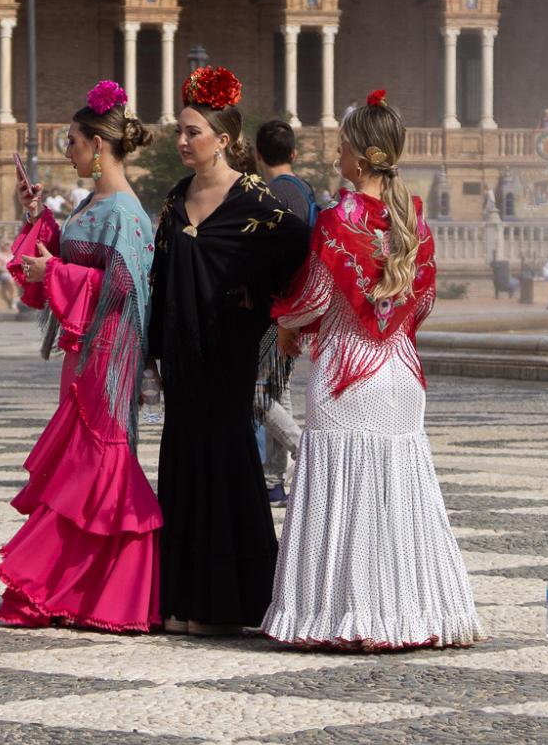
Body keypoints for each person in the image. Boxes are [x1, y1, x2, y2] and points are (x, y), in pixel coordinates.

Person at [265, 88, 487, 651]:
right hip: (400, 376)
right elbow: (423, 305)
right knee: (400, 496)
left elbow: (313, 297)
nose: (337, 154)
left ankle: (346, 613)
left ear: (359, 157)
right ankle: (415, 610)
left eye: (342, 147)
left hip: (347, 374)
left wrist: (284, 323)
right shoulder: (414, 222)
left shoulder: (339, 219)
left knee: (346, 496)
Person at [150, 65, 310, 636]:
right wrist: (153, 352)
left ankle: (228, 604)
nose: (183, 141)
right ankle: (184, 598)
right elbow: (160, 275)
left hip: (228, 354)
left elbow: (300, 250)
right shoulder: (175, 198)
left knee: (226, 462)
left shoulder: (256, 200)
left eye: (193, 132)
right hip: (183, 357)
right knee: (184, 464)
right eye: (180, 131)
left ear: (224, 139)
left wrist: (262, 305)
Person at [0, 79, 161, 633]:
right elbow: (64, 262)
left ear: (98, 145)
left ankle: (96, 588)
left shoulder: (126, 213)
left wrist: (59, 273)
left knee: (99, 461)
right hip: (82, 354)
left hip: (109, 354)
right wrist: (38, 219)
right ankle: (79, 587)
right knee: (81, 466)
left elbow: (127, 291)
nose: (66, 150)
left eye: (71, 141)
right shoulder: (93, 204)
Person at [253, 120, 315, 505]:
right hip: (298, 304)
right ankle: (272, 481)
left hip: (272, 308)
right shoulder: (305, 191)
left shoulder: (268, 195)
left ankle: (304, 452)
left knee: (256, 394)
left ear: (258, 155)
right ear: (293, 153)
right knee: (278, 390)